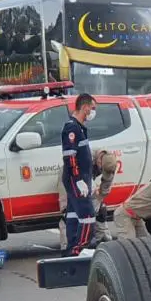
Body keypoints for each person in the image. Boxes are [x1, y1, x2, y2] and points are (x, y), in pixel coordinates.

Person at [57, 149, 121, 250]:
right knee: (69, 214)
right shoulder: (84, 159)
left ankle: (103, 240)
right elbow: (72, 182)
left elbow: (106, 184)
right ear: (99, 161)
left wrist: (98, 201)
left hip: (88, 179)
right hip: (70, 177)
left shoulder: (109, 162)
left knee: (101, 210)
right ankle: (67, 247)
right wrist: (65, 204)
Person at [61, 93, 99, 257]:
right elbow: (70, 157)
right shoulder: (72, 128)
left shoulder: (80, 128)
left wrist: (90, 178)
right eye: (93, 108)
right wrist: (78, 180)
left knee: (74, 214)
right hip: (75, 178)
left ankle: (71, 250)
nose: (93, 112)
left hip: (82, 177)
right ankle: (80, 250)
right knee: (88, 215)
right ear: (85, 108)